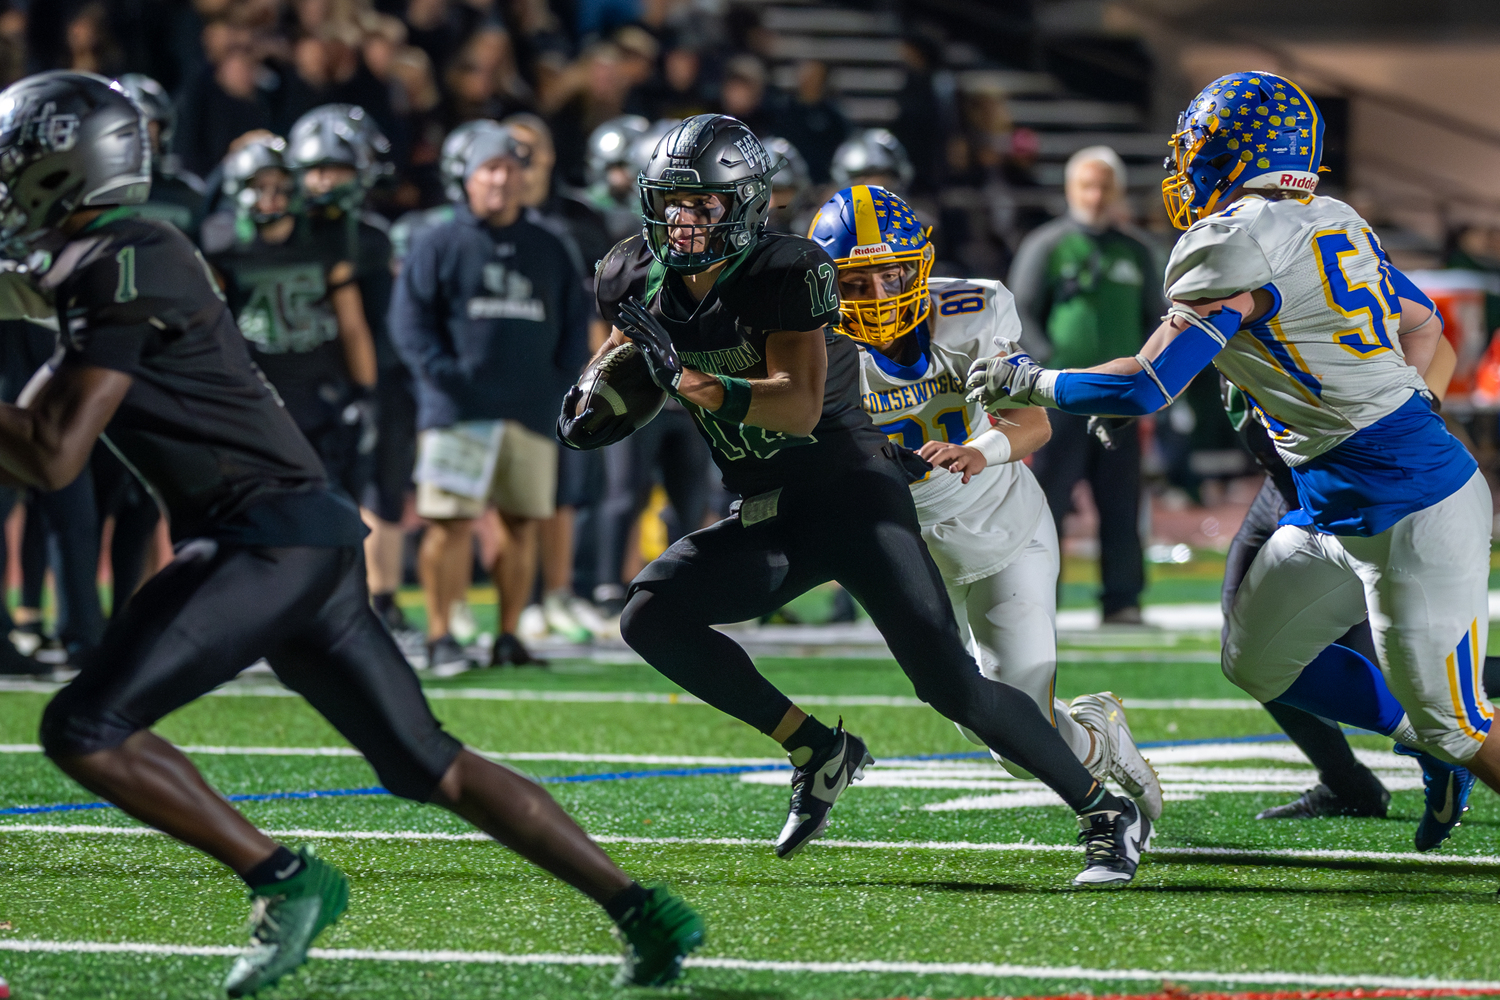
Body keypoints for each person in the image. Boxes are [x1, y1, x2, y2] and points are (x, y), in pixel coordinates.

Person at [3, 70, 702, 997]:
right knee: (430, 766)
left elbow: (52, 450)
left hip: (262, 537)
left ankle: (282, 878)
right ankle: (644, 910)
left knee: (84, 726)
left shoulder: (118, 256)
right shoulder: (125, 254)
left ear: (63, 165)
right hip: (303, 533)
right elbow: (36, 303)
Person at [566, 113, 1151, 885]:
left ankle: (1103, 810)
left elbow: (798, 406)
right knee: (649, 614)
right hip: (772, 503)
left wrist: (688, 381)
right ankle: (817, 748)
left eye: (705, 204)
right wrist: (597, 394)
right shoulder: (629, 270)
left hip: (850, 495)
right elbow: (629, 358)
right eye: (673, 203)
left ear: (742, 203)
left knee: (953, 689)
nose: (686, 221)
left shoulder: (793, 270)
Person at [966, 71, 1500, 853]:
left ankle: (1441, 735)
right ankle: (1423, 730)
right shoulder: (1333, 218)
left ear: (1234, 153)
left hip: (1413, 507)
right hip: (1328, 500)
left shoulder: (1235, 241)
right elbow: (1427, 331)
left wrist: (1029, 380)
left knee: (1455, 727)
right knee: (1256, 659)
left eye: (1200, 151)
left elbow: (1148, 385)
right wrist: (1388, 405)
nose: (1186, 168)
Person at [814, 182, 1163, 822]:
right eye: (854, 283)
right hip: (911, 551)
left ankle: (1096, 741)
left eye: (889, 275)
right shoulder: (816, 344)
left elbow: (1032, 423)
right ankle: (1095, 736)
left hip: (1003, 529)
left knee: (1015, 728)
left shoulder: (971, 308)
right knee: (982, 721)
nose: (876, 296)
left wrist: (982, 449)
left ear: (919, 264)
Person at [391, 124, 590, 670]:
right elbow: (408, 325)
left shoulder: (550, 244)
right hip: (457, 410)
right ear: (468, 178)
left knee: (522, 523)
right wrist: (447, 378)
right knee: (449, 523)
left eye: (511, 168)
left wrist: (557, 382)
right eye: (490, 168)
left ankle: (507, 636)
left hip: (530, 409)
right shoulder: (439, 242)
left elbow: (576, 321)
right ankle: (440, 636)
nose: (502, 178)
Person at [1006, 146, 1161, 625]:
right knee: (1046, 505)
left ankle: (1123, 601)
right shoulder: (1047, 245)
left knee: (1121, 503)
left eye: (1103, 187)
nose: (1095, 196)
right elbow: (1021, 311)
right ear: (1071, 190)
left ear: (1116, 191)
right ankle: (1039, 601)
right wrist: (1047, 367)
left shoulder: (1136, 250)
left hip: (1119, 401)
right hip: (1059, 400)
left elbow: (1158, 320)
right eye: (1086, 186)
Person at [203, 133, 379, 508]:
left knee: (330, 508)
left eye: (280, 186)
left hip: (320, 396)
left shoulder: (325, 238)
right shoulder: (223, 243)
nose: (271, 196)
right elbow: (211, 328)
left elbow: (352, 324)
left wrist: (365, 393)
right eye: (259, 185)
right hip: (259, 397)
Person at [115, 72, 206, 236]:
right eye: (132, 124)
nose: (142, 134)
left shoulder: (187, 195)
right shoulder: (90, 192)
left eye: (149, 124)